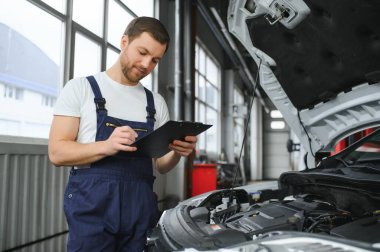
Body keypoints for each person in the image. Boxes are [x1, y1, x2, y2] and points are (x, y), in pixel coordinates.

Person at [48, 16, 197, 252]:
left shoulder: (155, 103)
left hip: (139, 209)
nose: (146, 64)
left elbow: (161, 165)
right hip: (92, 207)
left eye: (155, 60)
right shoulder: (81, 89)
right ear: (124, 42)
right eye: (142, 52)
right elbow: (57, 153)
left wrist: (178, 152)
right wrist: (106, 146)